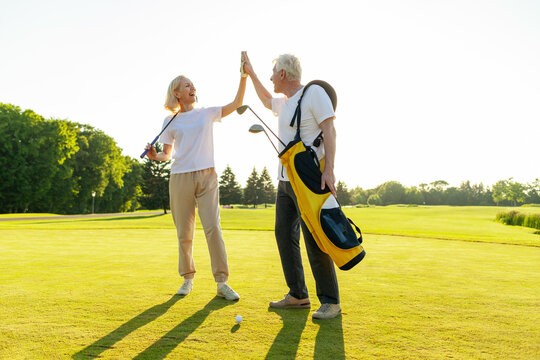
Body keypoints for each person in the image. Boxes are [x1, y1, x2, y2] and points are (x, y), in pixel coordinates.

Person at [242, 53, 342, 319]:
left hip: (309, 180)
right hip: (285, 181)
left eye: (273, 72)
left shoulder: (314, 93)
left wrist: (329, 170)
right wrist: (250, 72)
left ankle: (331, 301)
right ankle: (298, 294)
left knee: (314, 238)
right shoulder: (284, 102)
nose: (272, 77)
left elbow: (330, 130)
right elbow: (265, 99)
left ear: (283, 74)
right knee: (284, 235)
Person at [144, 58, 247, 301]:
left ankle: (222, 282)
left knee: (213, 228)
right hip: (180, 177)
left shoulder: (207, 113)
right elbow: (166, 155)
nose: (192, 88)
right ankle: (187, 278)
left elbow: (237, 103)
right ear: (177, 93)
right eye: (187, 85)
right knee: (185, 232)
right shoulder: (169, 121)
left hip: (207, 175)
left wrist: (243, 76)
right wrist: (153, 156)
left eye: (193, 85)